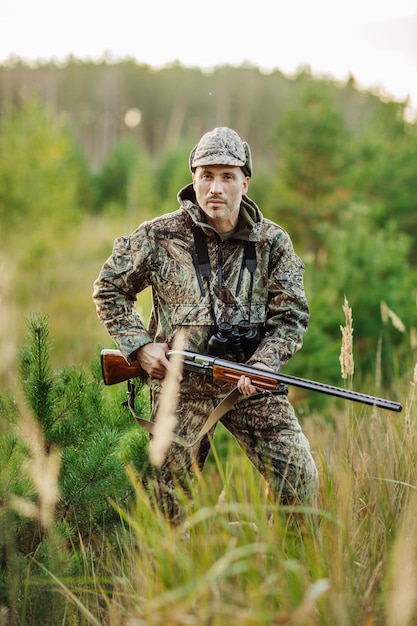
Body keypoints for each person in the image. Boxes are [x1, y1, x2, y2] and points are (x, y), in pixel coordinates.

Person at [93, 127, 318, 523]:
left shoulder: (272, 243)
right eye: (207, 175)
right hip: (180, 385)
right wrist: (141, 347)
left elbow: (291, 316)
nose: (216, 187)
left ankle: (292, 569)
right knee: (168, 507)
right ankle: (176, 576)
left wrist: (264, 364)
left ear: (245, 182)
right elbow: (109, 289)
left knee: (299, 480)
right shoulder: (158, 235)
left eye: (227, 176)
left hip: (249, 380)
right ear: (193, 178)